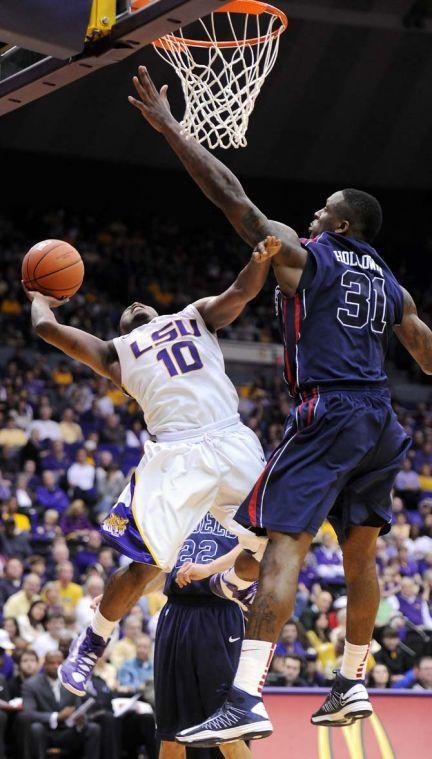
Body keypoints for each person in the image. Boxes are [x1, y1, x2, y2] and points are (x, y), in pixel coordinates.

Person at [126, 66, 432, 742]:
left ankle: (245, 693)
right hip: (382, 420)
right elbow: (428, 355)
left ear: (341, 222)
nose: (313, 216)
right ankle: (353, 678)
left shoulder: (312, 254)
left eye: (323, 210)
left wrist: (173, 130)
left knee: (284, 545)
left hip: (332, 411)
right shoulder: (390, 283)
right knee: (361, 557)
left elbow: (231, 196)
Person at [23, 234, 276, 697]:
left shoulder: (195, 317)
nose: (137, 304)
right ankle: (93, 640)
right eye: (127, 311)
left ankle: (237, 582)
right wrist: (39, 296)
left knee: (275, 542)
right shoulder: (115, 354)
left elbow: (241, 292)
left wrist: (258, 261)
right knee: (144, 567)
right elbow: (46, 330)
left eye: (142, 306)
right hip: (176, 455)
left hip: (232, 437)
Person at [154, 512, 252, 759]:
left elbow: (256, 546)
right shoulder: (182, 502)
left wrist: (209, 569)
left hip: (218, 612)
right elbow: (158, 568)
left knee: (229, 733)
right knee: (170, 736)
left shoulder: (239, 494)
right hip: (175, 613)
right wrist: (124, 596)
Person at [19, 650, 100, 759]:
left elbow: (77, 707)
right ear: (44, 664)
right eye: (52, 663)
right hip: (46, 731)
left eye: (59, 663)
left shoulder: (70, 682)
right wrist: (56, 717)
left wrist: (80, 719)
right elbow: (28, 714)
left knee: (93, 728)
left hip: (68, 730)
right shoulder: (31, 684)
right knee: (36, 728)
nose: (56, 666)